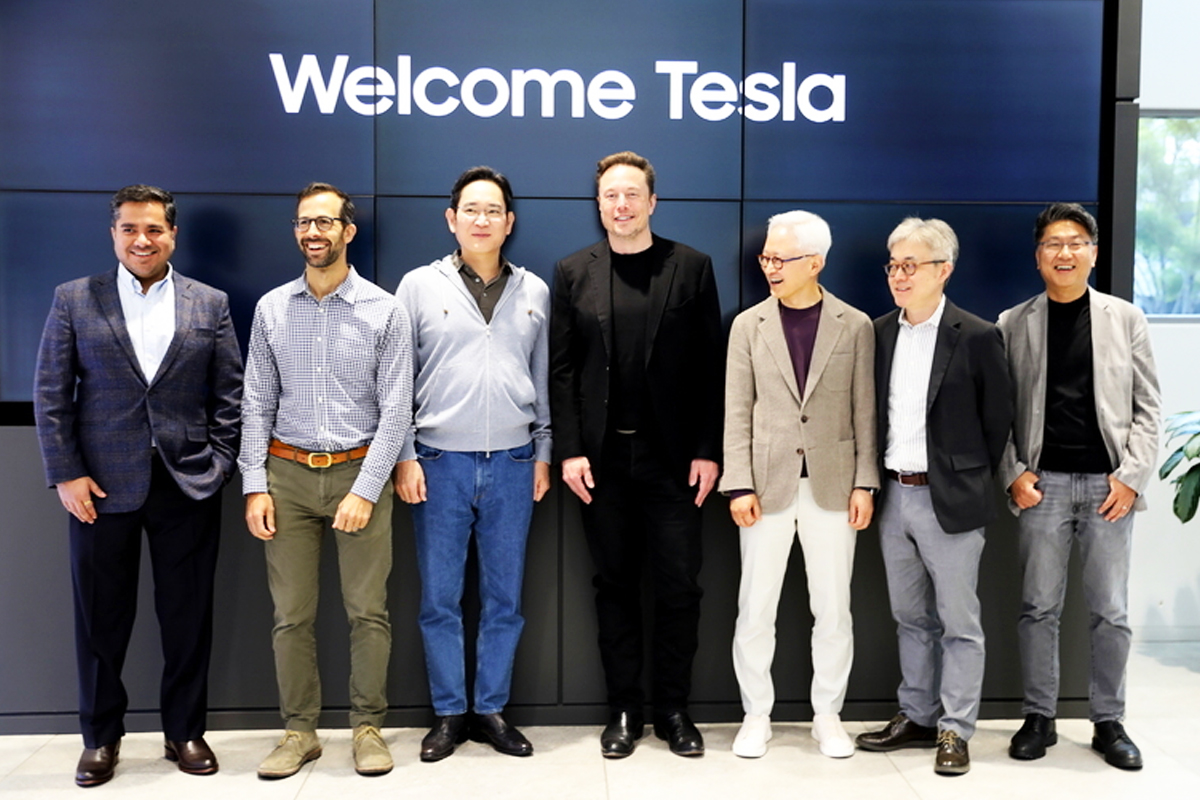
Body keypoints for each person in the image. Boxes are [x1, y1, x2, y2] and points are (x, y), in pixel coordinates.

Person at [33, 184, 243, 787]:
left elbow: (230, 393)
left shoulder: (210, 303)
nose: (142, 240)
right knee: (100, 619)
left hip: (187, 483)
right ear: (114, 234)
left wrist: (219, 464)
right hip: (98, 487)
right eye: (129, 229)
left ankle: (185, 731)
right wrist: (66, 472)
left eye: (154, 229)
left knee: (187, 617)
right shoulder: (75, 298)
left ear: (173, 234)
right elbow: (52, 393)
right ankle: (101, 736)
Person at [550, 151, 724, 758]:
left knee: (679, 588)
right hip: (600, 464)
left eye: (631, 194)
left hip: (674, 464)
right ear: (598, 205)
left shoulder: (692, 267)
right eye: (609, 196)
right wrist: (569, 451)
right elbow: (562, 371)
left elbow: (710, 368)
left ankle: (674, 709)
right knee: (615, 586)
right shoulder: (573, 271)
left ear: (652, 201)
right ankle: (623, 710)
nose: (620, 205)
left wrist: (708, 450)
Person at [240, 182, 413, 779]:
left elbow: (396, 409)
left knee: (367, 611)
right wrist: (254, 484)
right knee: (291, 615)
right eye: (303, 223)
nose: (313, 232)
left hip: (359, 471)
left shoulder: (385, 310)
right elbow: (256, 402)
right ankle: (299, 732)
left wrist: (366, 489)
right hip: (285, 476)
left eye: (325, 222)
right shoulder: (271, 309)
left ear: (348, 231)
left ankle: (368, 727)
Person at [394, 166, 551, 762]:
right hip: (439, 463)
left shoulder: (534, 291)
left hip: (513, 461)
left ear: (509, 223)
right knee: (440, 599)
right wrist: (405, 455)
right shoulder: (418, 286)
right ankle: (448, 714)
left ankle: (489, 709)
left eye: (493, 211)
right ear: (451, 219)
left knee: (504, 599)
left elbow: (542, 379)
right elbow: (397, 380)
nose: (481, 220)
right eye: (471, 210)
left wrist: (543, 452)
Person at [999, 203, 1160, 770]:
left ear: (1093, 252)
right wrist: (1013, 472)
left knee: (1110, 611)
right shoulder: (1012, 322)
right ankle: (1038, 717)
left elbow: (1148, 408)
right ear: (1038, 256)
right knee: (1038, 607)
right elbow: (998, 411)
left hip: (1108, 488)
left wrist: (1132, 478)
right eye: (1052, 244)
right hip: (1041, 487)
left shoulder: (1126, 319)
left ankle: (1108, 720)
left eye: (1074, 243)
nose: (1063, 253)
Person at [855, 218, 1012, 775]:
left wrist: (962, 476)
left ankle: (955, 729)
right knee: (909, 618)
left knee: (959, 623)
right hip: (893, 497)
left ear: (944, 270)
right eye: (893, 266)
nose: (899, 276)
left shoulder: (977, 335)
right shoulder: (878, 333)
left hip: (951, 500)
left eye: (911, 265)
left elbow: (997, 422)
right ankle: (917, 716)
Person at [720, 210, 877, 759]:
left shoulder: (855, 325)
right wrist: (738, 484)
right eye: (766, 257)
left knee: (833, 610)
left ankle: (827, 716)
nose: (769, 267)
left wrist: (865, 483)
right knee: (755, 608)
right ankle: (755, 715)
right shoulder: (748, 325)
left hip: (834, 487)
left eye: (780, 258)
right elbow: (736, 411)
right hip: (765, 487)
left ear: (815, 262)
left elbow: (865, 411)